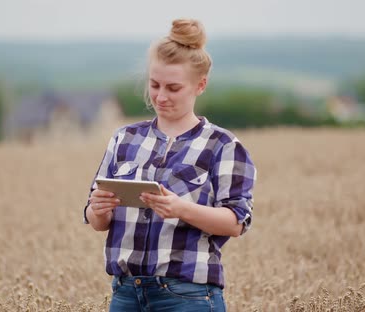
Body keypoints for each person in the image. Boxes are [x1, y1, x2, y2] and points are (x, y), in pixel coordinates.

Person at [84, 18, 256, 312]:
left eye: (173, 88)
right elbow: (97, 221)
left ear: (200, 85)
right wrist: (98, 209)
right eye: (154, 85)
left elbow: (236, 223)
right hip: (125, 294)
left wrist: (180, 209)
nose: (161, 97)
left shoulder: (224, 146)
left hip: (187, 296)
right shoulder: (124, 139)